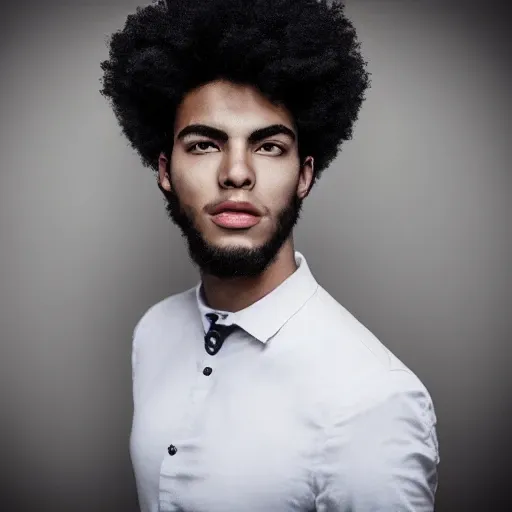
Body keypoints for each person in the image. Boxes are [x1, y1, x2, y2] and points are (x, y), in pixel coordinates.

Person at [100, 0, 440, 510]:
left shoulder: (371, 400)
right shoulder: (154, 331)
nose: (237, 173)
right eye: (204, 145)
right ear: (165, 170)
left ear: (304, 175)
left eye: (268, 146)